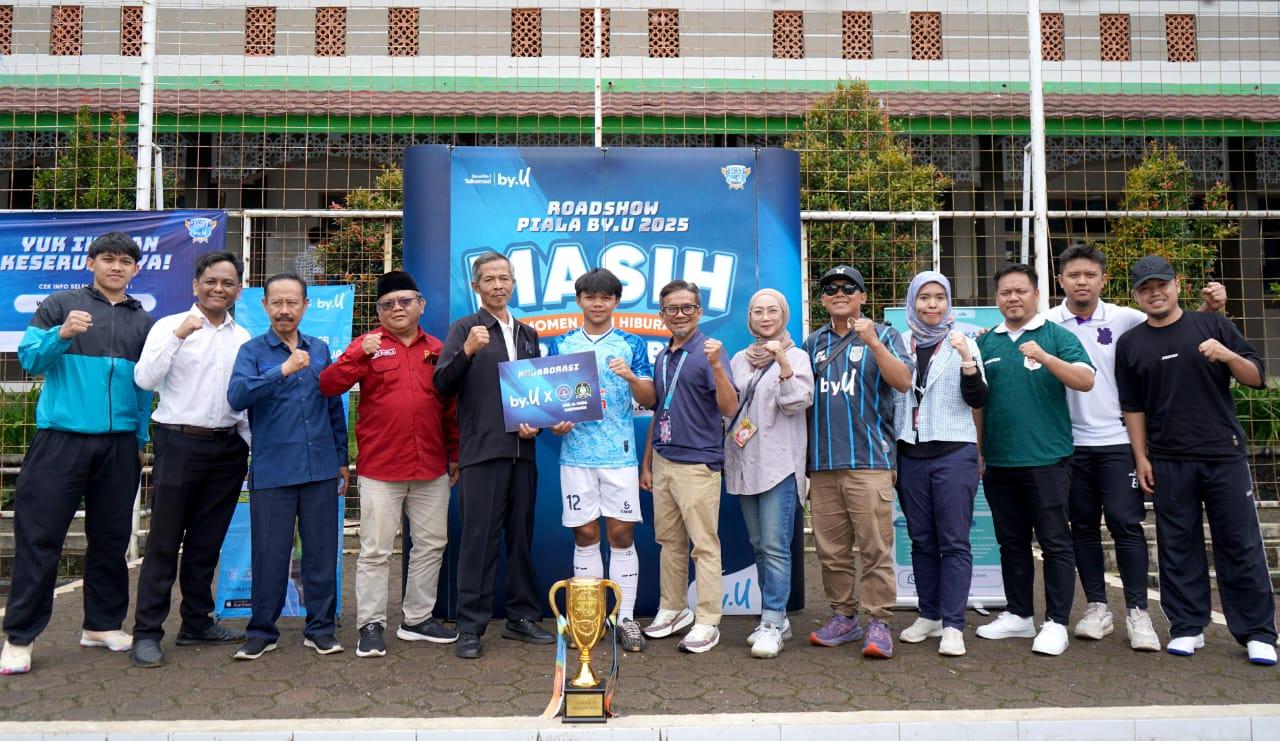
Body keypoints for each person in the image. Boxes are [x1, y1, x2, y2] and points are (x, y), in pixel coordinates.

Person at [1048, 245, 1227, 652]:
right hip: (1068, 444)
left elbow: (1177, 326)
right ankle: (1097, 607)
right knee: (1083, 527)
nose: (1081, 282)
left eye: (1089, 275)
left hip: (1117, 441)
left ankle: (1136, 611)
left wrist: (1207, 306)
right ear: (1061, 281)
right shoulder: (1047, 323)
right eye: (1073, 275)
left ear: (1103, 280)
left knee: (1126, 525)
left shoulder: (1127, 319)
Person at [0, 233, 155, 676]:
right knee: (39, 538)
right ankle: (20, 637)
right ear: (91, 263)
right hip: (60, 440)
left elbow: (143, 387)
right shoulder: (58, 304)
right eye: (108, 259)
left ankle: (102, 625)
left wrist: (139, 440)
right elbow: (30, 359)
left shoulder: (142, 321)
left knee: (110, 539)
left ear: (136, 270)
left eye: (126, 261)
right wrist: (61, 334)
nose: (117, 266)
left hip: (119, 444)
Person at [1117, 255, 1278, 666]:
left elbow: (1255, 378)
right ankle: (1187, 626)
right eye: (1145, 288)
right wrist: (1141, 457)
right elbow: (1133, 406)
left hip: (1223, 454)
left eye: (1161, 285)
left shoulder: (1213, 325)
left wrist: (1227, 354)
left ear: (1176, 285)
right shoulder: (1132, 343)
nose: (1155, 293)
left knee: (1240, 543)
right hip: (1168, 459)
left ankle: (1257, 632)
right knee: (1177, 545)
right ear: (1136, 295)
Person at [319, 271, 460, 658]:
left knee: (432, 545)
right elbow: (328, 385)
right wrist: (357, 354)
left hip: (431, 466)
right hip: (381, 467)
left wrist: (454, 454)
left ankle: (416, 619)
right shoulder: (366, 347)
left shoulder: (437, 348)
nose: (396, 309)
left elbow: (450, 407)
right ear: (378, 310)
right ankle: (370, 624)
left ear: (421, 305)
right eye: (387, 304)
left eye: (404, 301)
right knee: (376, 550)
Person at [129, 251, 252, 669]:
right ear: (196, 284)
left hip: (228, 449)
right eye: (211, 281)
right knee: (164, 542)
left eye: (228, 282)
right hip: (179, 443)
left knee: (207, 542)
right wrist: (181, 334)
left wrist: (251, 447)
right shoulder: (168, 326)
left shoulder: (243, 338)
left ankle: (196, 622)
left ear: (239, 289)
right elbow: (145, 379)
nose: (219, 289)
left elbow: (246, 404)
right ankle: (147, 632)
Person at [434, 252, 552, 659]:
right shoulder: (464, 328)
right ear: (476, 286)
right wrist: (466, 351)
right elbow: (442, 385)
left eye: (504, 278)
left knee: (521, 536)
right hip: (482, 452)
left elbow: (534, 393)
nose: (498, 285)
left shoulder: (528, 333)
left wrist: (537, 421)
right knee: (479, 541)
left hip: (525, 452)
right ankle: (470, 627)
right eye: (489, 279)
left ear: (514, 283)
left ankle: (522, 617)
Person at [227, 273, 349, 661]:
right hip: (274, 470)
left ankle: (321, 629)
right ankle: (262, 631)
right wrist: (281, 371)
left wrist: (342, 458)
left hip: (321, 469)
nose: (284, 310)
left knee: (320, 553)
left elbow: (332, 404)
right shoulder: (252, 351)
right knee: (270, 554)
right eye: (276, 303)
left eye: (292, 303)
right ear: (264, 306)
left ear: (305, 306)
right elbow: (237, 395)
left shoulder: (321, 349)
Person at [975, 263, 1095, 657]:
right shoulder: (986, 342)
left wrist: (1045, 357)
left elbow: (1085, 379)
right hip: (999, 461)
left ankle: (1057, 621)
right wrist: (978, 451)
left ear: (1036, 294)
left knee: (1056, 541)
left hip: (1047, 459)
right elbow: (978, 404)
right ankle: (1019, 614)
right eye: (1005, 292)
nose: (1012, 298)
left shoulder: (1055, 336)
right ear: (997, 299)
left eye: (1020, 291)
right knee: (1011, 542)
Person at [804, 265, 913, 659]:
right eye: (829, 288)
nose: (838, 292)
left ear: (863, 296)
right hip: (823, 462)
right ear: (821, 299)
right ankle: (843, 617)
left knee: (875, 548)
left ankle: (879, 621)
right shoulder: (811, 342)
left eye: (849, 287)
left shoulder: (885, 334)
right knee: (830, 550)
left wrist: (874, 344)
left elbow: (902, 382)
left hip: (870, 460)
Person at [545, 268, 656, 653]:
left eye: (605, 297)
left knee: (621, 535)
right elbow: (548, 402)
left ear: (616, 301)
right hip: (575, 455)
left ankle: (624, 620)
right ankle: (589, 620)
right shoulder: (560, 344)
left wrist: (629, 377)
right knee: (585, 534)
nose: (597, 303)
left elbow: (651, 397)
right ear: (579, 300)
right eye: (590, 297)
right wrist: (554, 424)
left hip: (619, 455)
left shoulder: (630, 343)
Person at [640, 280, 738, 654]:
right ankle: (674, 608)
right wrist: (647, 461)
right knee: (669, 542)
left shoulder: (710, 351)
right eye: (671, 309)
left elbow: (729, 408)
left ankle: (708, 621)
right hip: (664, 461)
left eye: (686, 308)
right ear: (661, 314)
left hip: (698, 464)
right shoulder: (664, 356)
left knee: (704, 545)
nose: (678, 314)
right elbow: (659, 410)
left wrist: (715, 366)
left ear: (699, 312)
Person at [892, 271, 987, 658]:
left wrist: (966, 359)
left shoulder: (963, 342)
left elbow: (977, 398)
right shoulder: (898, 342)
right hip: (910, 454)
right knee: (922, 539)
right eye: (924, 298)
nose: (932, 305)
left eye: (939, 298)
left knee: (954, 541)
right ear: (912, 302)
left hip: (954, 453)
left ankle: (953, 625)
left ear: (949, 303)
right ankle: (929, 614)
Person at [724, 289, 813, 659]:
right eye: (757, 311)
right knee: (760, 545)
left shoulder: (798, 357)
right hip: (745, 463)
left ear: (784, 315)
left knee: (777, 547)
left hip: (779, 465)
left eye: (772, 310)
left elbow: (797, 403)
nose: (764, 317)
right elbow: (728, 407)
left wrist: (783, 364)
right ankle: (775, 616)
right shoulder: (739, 360)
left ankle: (774, 620)